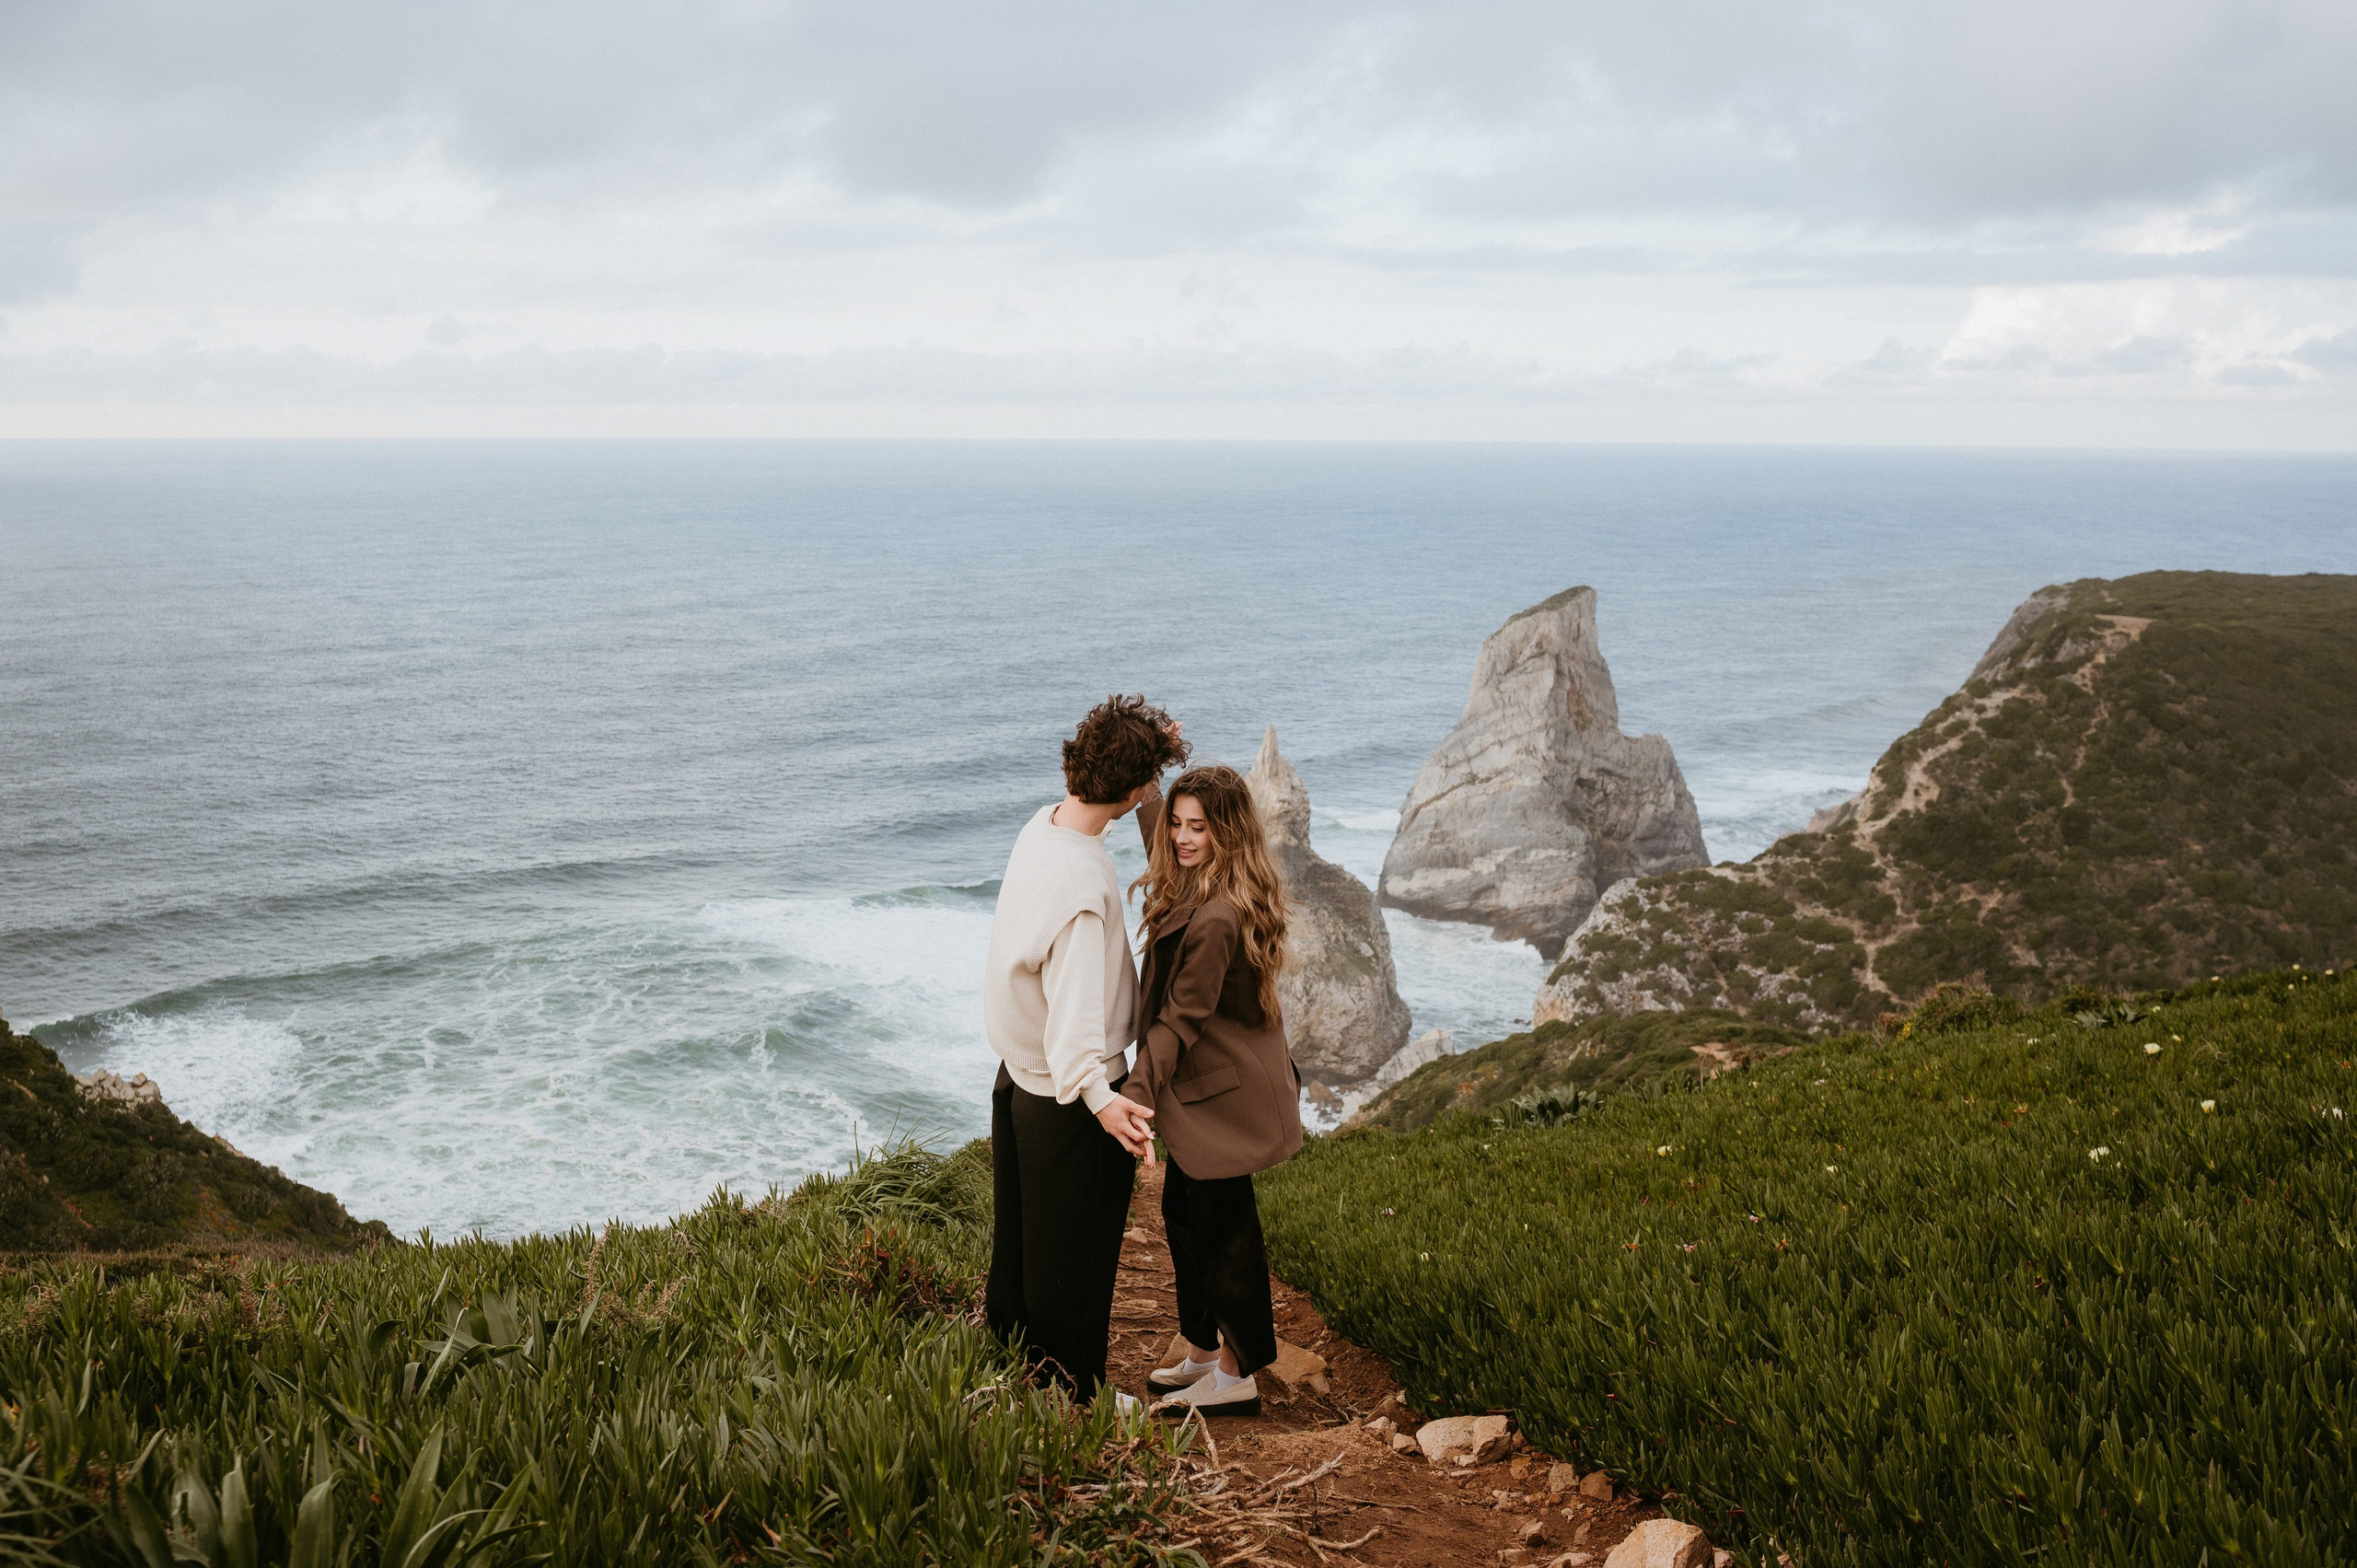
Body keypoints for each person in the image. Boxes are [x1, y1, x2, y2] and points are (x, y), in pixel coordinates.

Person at [983, 694, 1188, 1403]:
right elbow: (1074, 1017)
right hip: (1071, 1097)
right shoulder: (1082, 886)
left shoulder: (1044, 829)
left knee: (1023, 1254)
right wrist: (1104, 1100)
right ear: (1132, 790)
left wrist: (1145, 758)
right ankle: (1079, 1403)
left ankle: (1016, 1379)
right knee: (1078, 1261)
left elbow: (1116, 785)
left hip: (1018, 1082)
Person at [1122, 763, 1303, 1416]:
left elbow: (1180, 1018)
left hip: (1223, 1100)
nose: (1181, 837)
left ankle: (1238, 1372)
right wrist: (1146, 781)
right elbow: (1160, 839)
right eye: (1177, 823)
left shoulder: (1219, 916)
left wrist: (1134, 1095)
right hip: (1210, 1089)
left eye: (1198, 826)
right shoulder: (1202, 879)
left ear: (1225, 832)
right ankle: (1202, 1347)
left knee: (1226, 1231)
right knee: (1182, 1214)